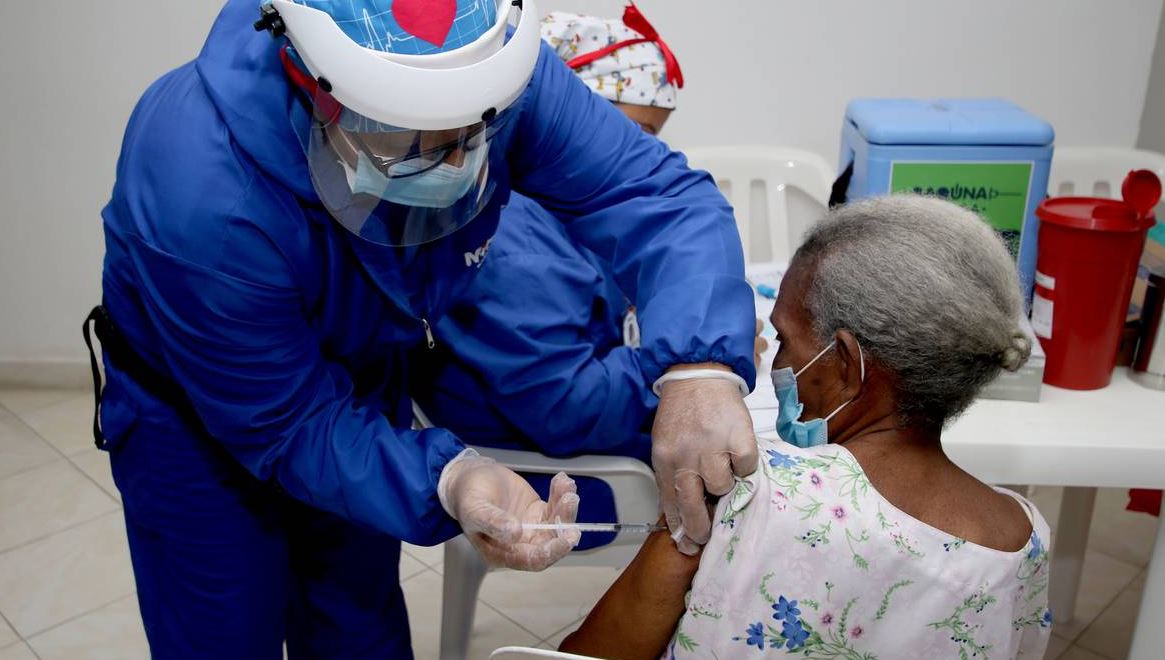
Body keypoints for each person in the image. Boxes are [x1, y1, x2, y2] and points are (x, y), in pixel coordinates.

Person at [91, 0, 758, 656]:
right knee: (224, 629)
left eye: (474, 131)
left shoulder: (497, 66)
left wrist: (700, 368)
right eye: (408, 139)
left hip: (365, 369)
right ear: (313, 88)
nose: (452, 162)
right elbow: (290, 425)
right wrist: (445, 478)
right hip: (196, 422)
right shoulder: (202, 190)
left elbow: (650, 195)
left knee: (357, 618)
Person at [558, 196, 1053, 659]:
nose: (778, 359)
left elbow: (595, 652)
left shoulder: (748, 492)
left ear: (843, 363)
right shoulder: (1021, 540)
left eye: (784, 337)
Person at [410, 6, 718, 551]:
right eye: (636, 132)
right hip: (555, 469)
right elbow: (566, 403)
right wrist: (676, 370)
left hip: (565, 421)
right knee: (740, 471)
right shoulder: (511, 242)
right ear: (577, 113)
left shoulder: (561, 217)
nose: (644, 153)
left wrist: (690, 337)